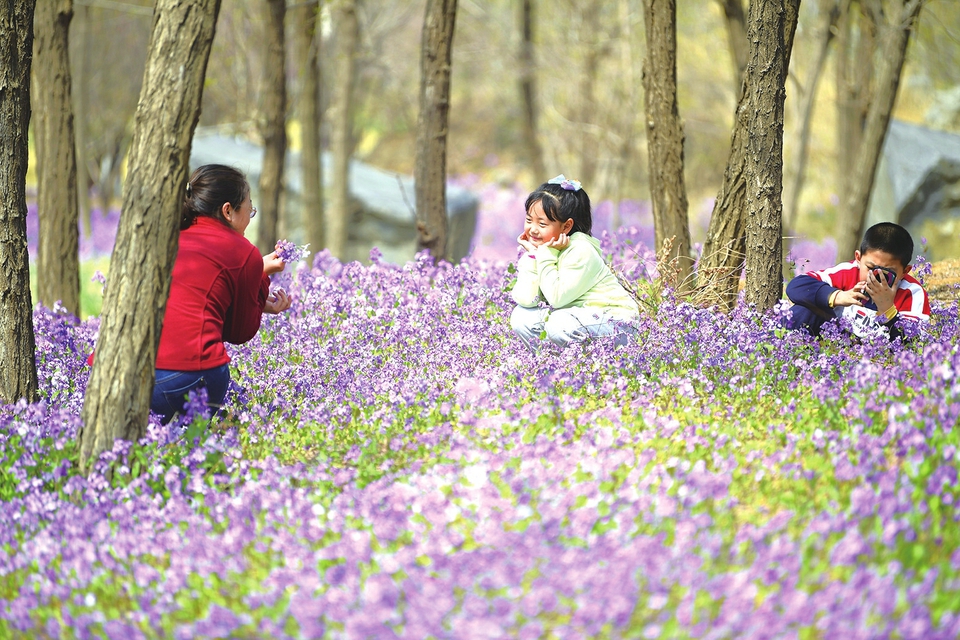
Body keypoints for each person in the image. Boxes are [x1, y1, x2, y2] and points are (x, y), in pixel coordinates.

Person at [151, 164, 292, 423]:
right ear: (228, 210)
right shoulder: (242, 251)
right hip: (184, 378)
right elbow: (239, 333)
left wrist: (253, 282)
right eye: (249, 208)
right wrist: (259, 276)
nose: (251, 216)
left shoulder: (161, 236)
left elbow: (193, 300)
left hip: (115, 372)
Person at [510, 174, 639, 349]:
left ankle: (592, 370)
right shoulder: (543, 252)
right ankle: (554, 370)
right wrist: (534, 256)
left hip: (617, 323)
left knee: (559, 324)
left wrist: (546, 255)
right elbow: (527, 300)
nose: (532, 230)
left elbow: (557, 299)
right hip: (578, 320)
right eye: (528, 220)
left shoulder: (580, 250)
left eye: (542, 224)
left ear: (566, 227)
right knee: (522, 316)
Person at [785, 221, 930, 340]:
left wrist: (888, 310)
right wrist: (837, 296)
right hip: (834, 348)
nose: (875, 277)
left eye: (886, 274)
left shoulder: (912, 293)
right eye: (870, 267)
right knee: (803, 310)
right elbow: (796, 287)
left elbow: (913, 346)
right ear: (858, 258)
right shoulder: (849, 272)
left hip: (877, 363)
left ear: (905, 271)